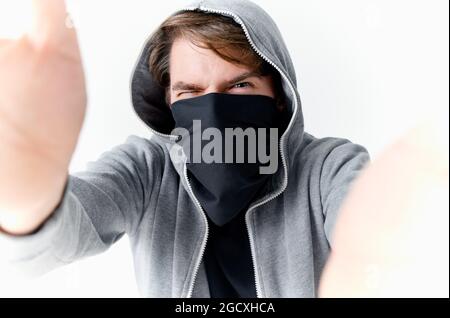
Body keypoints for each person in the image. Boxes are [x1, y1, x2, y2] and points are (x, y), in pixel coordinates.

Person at [0, 0, 447, 298]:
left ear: (278, 93)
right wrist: (24, 198)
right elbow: (61, 235)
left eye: (238, 85)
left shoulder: (328, 168)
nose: (213, 111)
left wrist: (389, 261)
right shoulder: (147, 170)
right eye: (190, 92)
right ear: (167, 102)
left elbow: (372, 233)